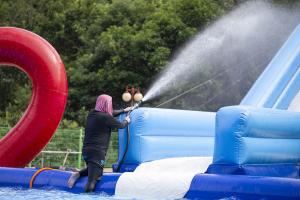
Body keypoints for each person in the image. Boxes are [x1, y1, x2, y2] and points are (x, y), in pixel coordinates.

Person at [67, 94, 131, 192]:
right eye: (109, 103)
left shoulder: (92, 113)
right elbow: (121, 125)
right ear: (106, 104)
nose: (111, 105)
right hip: (97, 152)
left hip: (87, 151)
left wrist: (123, 110)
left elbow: (111, 114)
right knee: (93, 180)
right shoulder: (105, 117)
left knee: (95, 170)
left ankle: (79, 174)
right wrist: (127, 120)